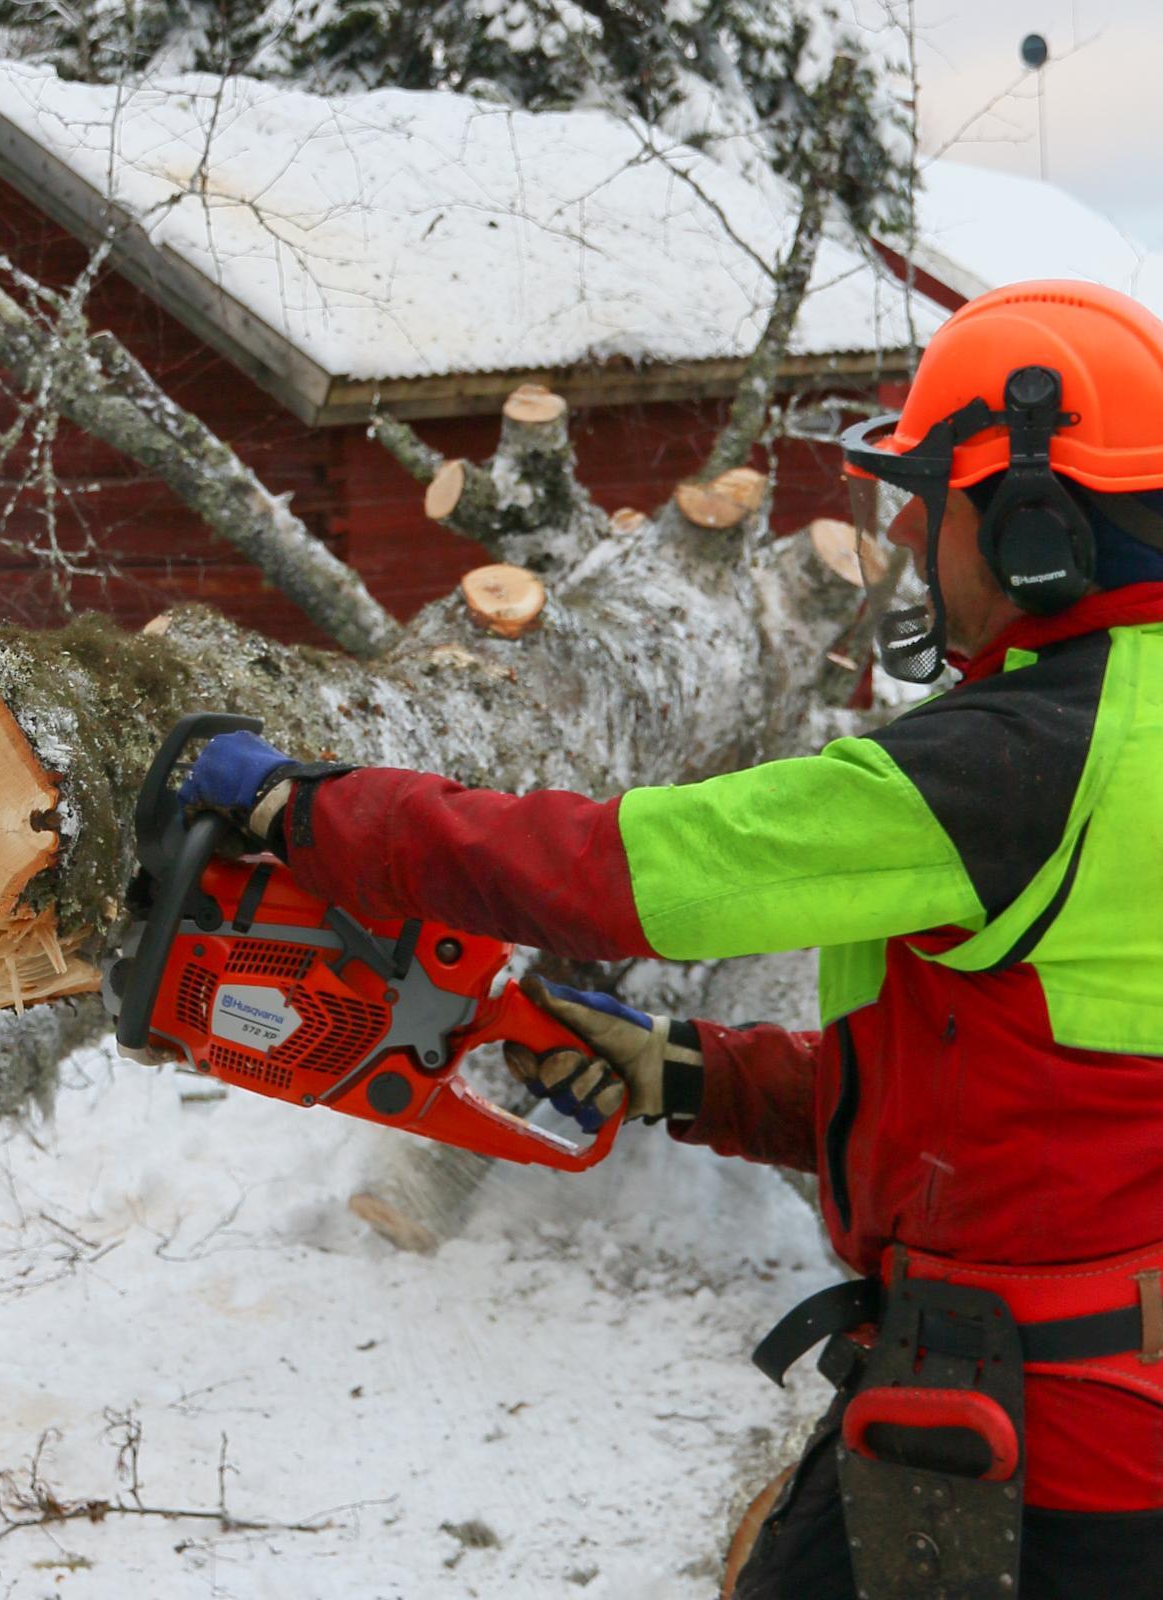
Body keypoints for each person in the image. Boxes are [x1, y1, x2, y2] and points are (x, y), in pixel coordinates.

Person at [177, 280, 1163, 1599]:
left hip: (1051, 1452)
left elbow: (628, 872)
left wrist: (312, 809)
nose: (915, 536)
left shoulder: (1020, 762)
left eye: (935, 499)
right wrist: (690, 1075)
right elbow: (1031, 1106)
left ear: (1039, 525)